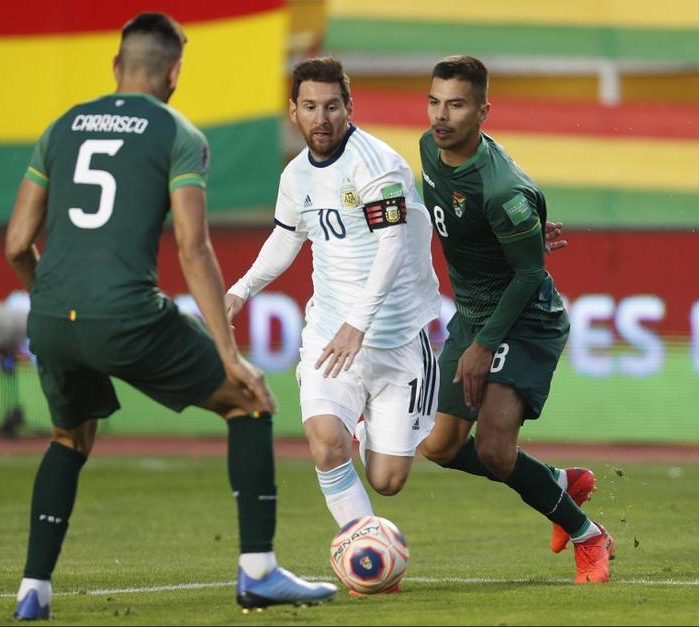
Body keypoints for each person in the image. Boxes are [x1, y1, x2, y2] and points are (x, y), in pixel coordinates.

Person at [3, 13, 336, 619]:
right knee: (249, 400)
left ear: (116, 66)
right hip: (125, 313)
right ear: (174, 73)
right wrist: (230, 355)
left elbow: (16, 244)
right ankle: (259, 571)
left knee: (70, 437)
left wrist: (49, 299)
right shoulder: (178, 134)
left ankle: (33, 590)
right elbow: (192, 247)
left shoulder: (61, 127)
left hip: (50, 314)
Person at [224, 58, 442, 558]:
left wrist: (358, 324)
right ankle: (367, 554)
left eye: (331, 107)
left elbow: (392, 247)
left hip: (395, 336)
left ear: (348, 108)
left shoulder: (378, 165)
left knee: (387, 480)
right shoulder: (295, 175)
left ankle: (365, 426)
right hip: (329, 331)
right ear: (293, 112)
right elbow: (286, 237)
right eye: (309, 107)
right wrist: (241, 289)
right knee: (324, 442)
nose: (320, 118)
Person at [414, 55, 616, 584]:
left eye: (457, 105)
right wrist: (512, 240)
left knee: (494, 449)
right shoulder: (429, 149)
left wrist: (484, 345)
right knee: (438, 447)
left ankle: (588, 535)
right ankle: (556, 481)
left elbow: (528, 275)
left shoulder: (503, 189)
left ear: (483, 112)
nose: (441, 116)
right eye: (435, 102)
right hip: (473, 314)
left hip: (525, 318)